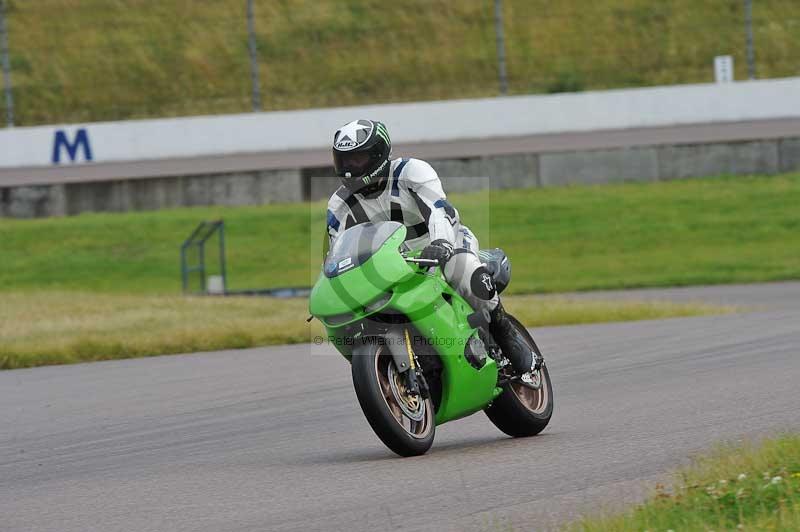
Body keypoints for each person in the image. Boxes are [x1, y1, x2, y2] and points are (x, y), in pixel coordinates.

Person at [326, 119, 533, 375]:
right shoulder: (339, 203)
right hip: (394, 268)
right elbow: (338, 250)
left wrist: (441, 243)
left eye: (357, 159)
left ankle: (504, 330)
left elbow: (439, 210)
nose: (348, 169)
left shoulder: (411, 172)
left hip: (444, 245)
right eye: (343, 160)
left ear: (379, 154)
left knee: (463, 267)